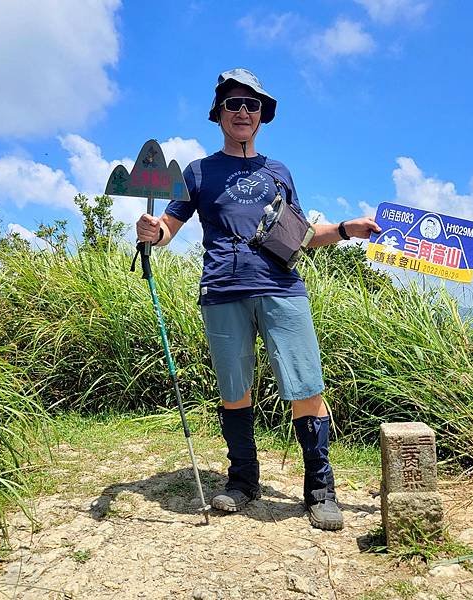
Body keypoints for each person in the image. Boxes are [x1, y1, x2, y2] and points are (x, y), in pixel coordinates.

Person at [136, 68, 381, 531]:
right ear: (219, 114)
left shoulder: (278, 172)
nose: (242, 112)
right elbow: (168, 227)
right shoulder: (198, 172)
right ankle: (243, 481)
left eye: (251, 105)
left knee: (307, 387)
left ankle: (319, 489)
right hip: (223, 290)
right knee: (235, 390)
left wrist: (349, 228)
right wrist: (154, 232)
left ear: (263, 116)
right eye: (233, 104)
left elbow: (304, 235)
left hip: (281, 288)